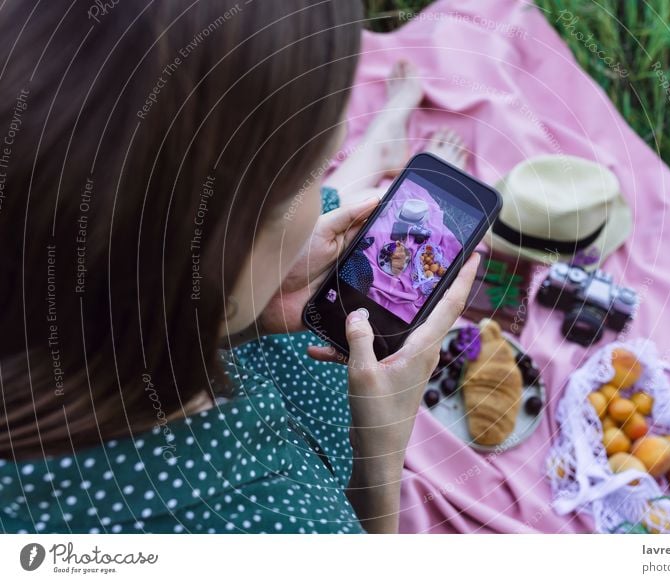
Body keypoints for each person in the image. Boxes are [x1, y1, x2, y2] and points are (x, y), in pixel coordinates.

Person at [0, 1, 477, 534]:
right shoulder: (298, 531)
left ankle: (375, 146)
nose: (316, 190)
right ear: (218, 253)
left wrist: (233, 319)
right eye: (313, 171)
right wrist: (383, 451)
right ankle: (374, 149)